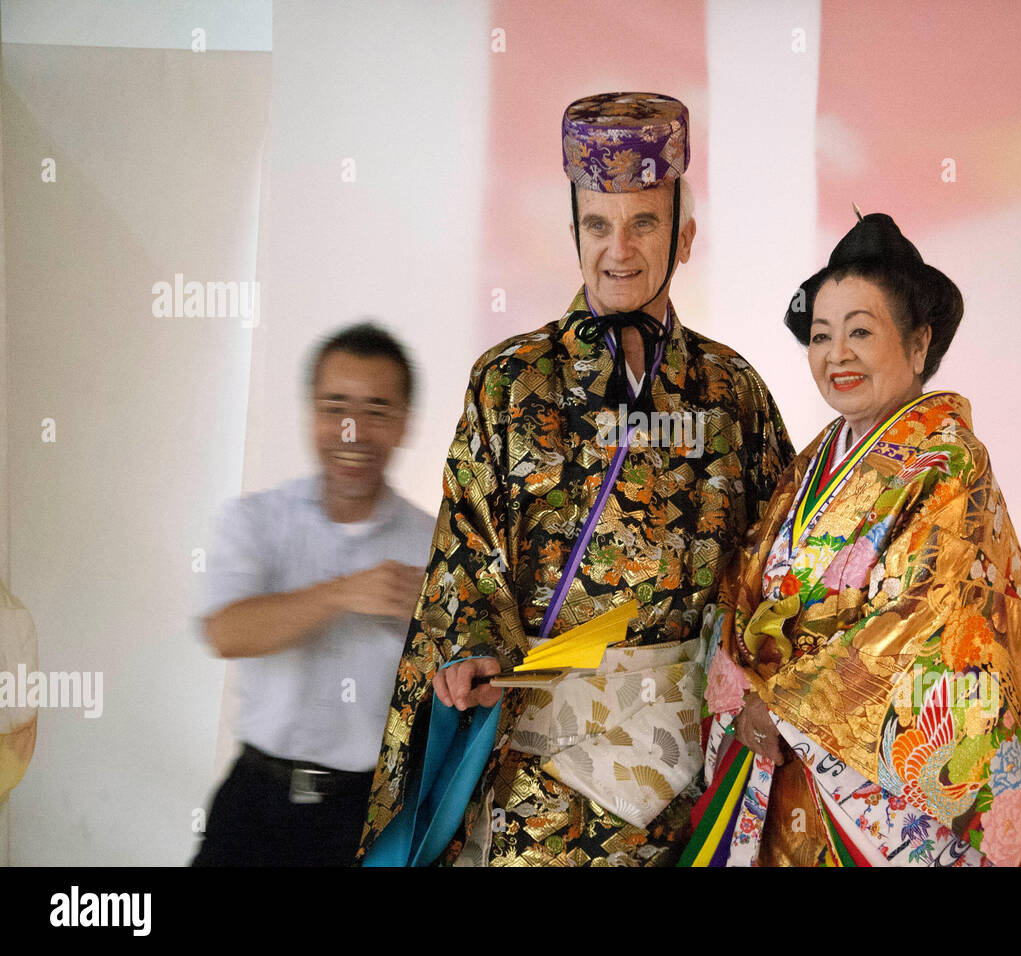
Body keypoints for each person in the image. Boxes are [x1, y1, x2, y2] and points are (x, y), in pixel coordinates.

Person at [357, 92, 793, 867]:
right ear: (573, 234)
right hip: (539, 789)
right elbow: (465, 559)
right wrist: (470, 649)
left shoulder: (733, 392)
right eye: (598, 225)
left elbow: (779, 572)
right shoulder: (508, 383)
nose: (618, 248)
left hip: (686, 790)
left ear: (684, 235)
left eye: (643, 223)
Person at [687, 212, 1021, 867]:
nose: (836, 355)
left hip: (890, 800)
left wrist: (789, 705)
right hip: (794, 778)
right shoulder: (811, 464)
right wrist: (738, 678)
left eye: (860, 331)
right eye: (821, 336)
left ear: (917, 344)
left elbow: (927, 615)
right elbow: (748, 586)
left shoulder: (951, 462)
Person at [192, 323, 435, 866]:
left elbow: (462, 683)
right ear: (311, 413)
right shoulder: (255, 520)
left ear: (403, 425)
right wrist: (344, 592)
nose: (353, 430)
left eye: (377, 410)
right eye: (335, 406)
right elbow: (224, 632)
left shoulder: (435, 546)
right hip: (257, 801)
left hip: (372, 815)